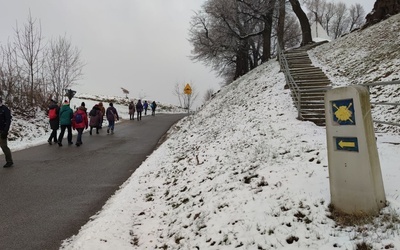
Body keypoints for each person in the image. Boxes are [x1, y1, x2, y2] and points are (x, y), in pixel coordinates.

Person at [0, 97, 13, 168]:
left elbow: (8, 120)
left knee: (3, 146)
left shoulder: (5, 109)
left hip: (2, 131)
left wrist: (5, 131)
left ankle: (9, 161)